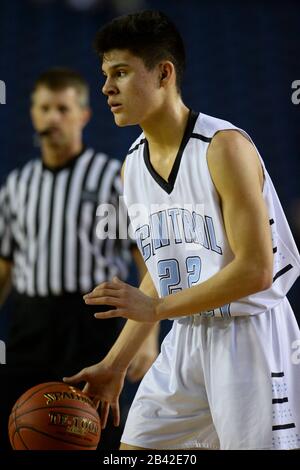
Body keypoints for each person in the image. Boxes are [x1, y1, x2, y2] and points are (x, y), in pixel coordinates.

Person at [64, 11, 300, 450]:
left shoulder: (223, 147)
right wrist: (116, 364)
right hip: (187, 335)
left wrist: (156, 311)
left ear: (164, 74)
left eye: (120, 73)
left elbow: (255, 270)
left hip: (251, 338)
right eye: (104, 75)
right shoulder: (130, 167)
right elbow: (161, 267)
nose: (106, 88)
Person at [0, 67, 159, 450]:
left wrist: (147, 336)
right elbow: (4, 266)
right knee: (26, 429)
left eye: (62, 108)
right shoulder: (17, 184)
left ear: (83, 115)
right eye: (43, 108)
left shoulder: (111, 177)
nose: (52, 117)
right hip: (29, 324)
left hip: (92, 322)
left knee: (92, 433)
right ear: (33, 113)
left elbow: (147, 258)